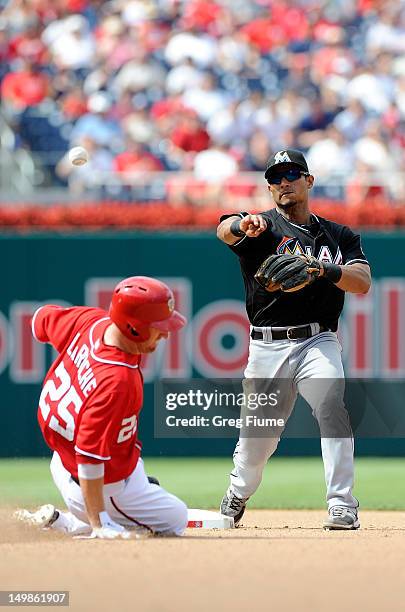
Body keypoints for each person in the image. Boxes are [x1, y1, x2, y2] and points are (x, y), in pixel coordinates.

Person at [217, 149, 371, 530]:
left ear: (309, 181)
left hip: (317, 341)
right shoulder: (261, 229)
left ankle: (342, 504)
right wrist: (241, 225)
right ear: (269, 189)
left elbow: (362, 282)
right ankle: (238, 490)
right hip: (267, 346)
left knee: (331, 406)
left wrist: (323, 268)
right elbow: (223, 230)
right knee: (257, 446)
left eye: (291, 174)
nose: (283, 182)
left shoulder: (338, 236)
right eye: (275, 178)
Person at [16, 276, 188, 539]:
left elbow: (41, 320)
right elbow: (89, 456)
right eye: (158, 326)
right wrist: (100, 522)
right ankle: (86, 519)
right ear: (134, 328)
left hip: (62, 462)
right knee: (176, 518)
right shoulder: (117, 381)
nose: (165, 333)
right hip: (100, 485)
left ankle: (61, 520)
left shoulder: (92, 322)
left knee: (127, 454)